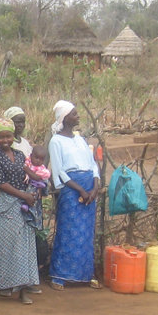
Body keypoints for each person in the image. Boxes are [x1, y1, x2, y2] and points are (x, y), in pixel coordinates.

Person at [0, 123, 40, 305]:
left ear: (14, 137)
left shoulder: (21, 155)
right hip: (7, 205)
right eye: (1, 137)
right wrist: (24, 195)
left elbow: (29, 174)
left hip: (24, 206)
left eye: (8, 136)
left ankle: (22, 290)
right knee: (0, 247)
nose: (5, 140)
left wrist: (36, 188)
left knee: (24, 248)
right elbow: (1, 184)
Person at [47, 100, 102, 290]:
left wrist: (94, 188)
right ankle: (59, 275)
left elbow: (93, 164)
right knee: (68, 231)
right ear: (64, 118)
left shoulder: (80, 139)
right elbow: (60, 171)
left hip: (89, 186)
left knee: (86, 233)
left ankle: (85, 275)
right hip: (72, 189)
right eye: (74, 114)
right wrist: (80, 190)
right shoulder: (56, 141)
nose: (78, 116)